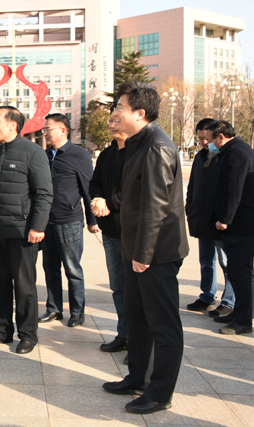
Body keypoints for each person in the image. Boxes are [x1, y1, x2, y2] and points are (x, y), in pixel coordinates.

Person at [102, 81, 189, 415]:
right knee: (137, 318)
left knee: (162, 324)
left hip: (155, 253)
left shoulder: (156, 147)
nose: (114, 113)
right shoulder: (137, 144)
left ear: (139, 113)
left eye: (119, 108)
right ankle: (137, 377)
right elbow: (133, 194)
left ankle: (160, 392)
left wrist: (143, 255)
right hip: (134, 246)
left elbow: (156, 206)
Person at [0, 106, 53, 355]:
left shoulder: (33, 152)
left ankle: (28, 335)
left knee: (24, 286)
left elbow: (44, 193)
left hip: (22, 232)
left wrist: (38, 226)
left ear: (12, 125)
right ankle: (2, 330)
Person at [39, 113, 98, 328]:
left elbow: (87, 188)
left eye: (48, 129)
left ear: (63, 130)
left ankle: (77, 311)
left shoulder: (78, 155)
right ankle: (54, 309)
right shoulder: (43, 155)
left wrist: (92, 220)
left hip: (69, 221)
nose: (45, 133)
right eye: (45, 130)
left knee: (72, 269)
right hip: (47, 222)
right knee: (50, 268)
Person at [208, 120, 254, 335]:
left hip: (241, 225)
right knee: (238, 271)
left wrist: (224, 219)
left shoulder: (236, 153)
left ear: (221, 136)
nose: (209, 144)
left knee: (241, 273)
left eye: (211, 139)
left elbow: (234, 190)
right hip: (242, 224)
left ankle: (243, 321)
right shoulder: (238, 150)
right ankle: (240, 313)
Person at [185, 118, 234, 317]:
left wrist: (225, 217)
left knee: (226, 262)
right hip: (202, 218)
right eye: (200, 139)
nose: (204, 142)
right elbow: (192, 186)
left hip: (219, 220)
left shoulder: (225, 156)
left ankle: (229, 301)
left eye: (206, 138)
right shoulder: (200, 157)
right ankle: (207, 296)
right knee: (206, 260)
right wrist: (190, 207)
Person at [89, 114, 128, 353]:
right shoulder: (106, 154)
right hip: (110, 231)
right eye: (110, 121)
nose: (112, 125)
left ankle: (139, 341)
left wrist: (109, 203)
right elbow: (94, 182)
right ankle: (124, 334)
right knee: (118, 287)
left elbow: (136, 191)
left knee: (135, 290)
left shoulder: (138, 153)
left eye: (116, 120)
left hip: (132, 232)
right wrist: (98, 199)